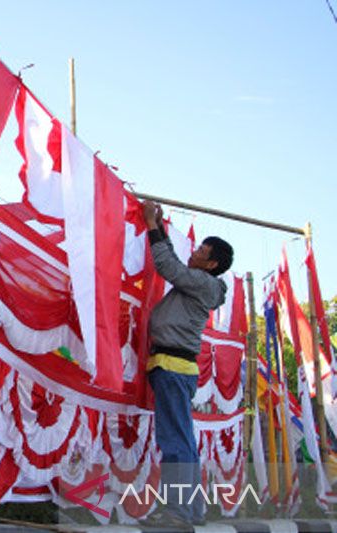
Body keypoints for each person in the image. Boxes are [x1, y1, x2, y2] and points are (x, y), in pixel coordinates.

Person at [141, 200, 233, 529]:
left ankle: (179, 514)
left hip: (173, 366)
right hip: (175, 367)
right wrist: (160, 228)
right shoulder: (201, 283)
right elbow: (176, 264)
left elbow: (169, 267)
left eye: (201, 252)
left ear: (211, 265)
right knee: (182, 439)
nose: (193, 253)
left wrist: (151, 224)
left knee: (175, 440)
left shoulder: (203, 284)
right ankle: (189, 512)